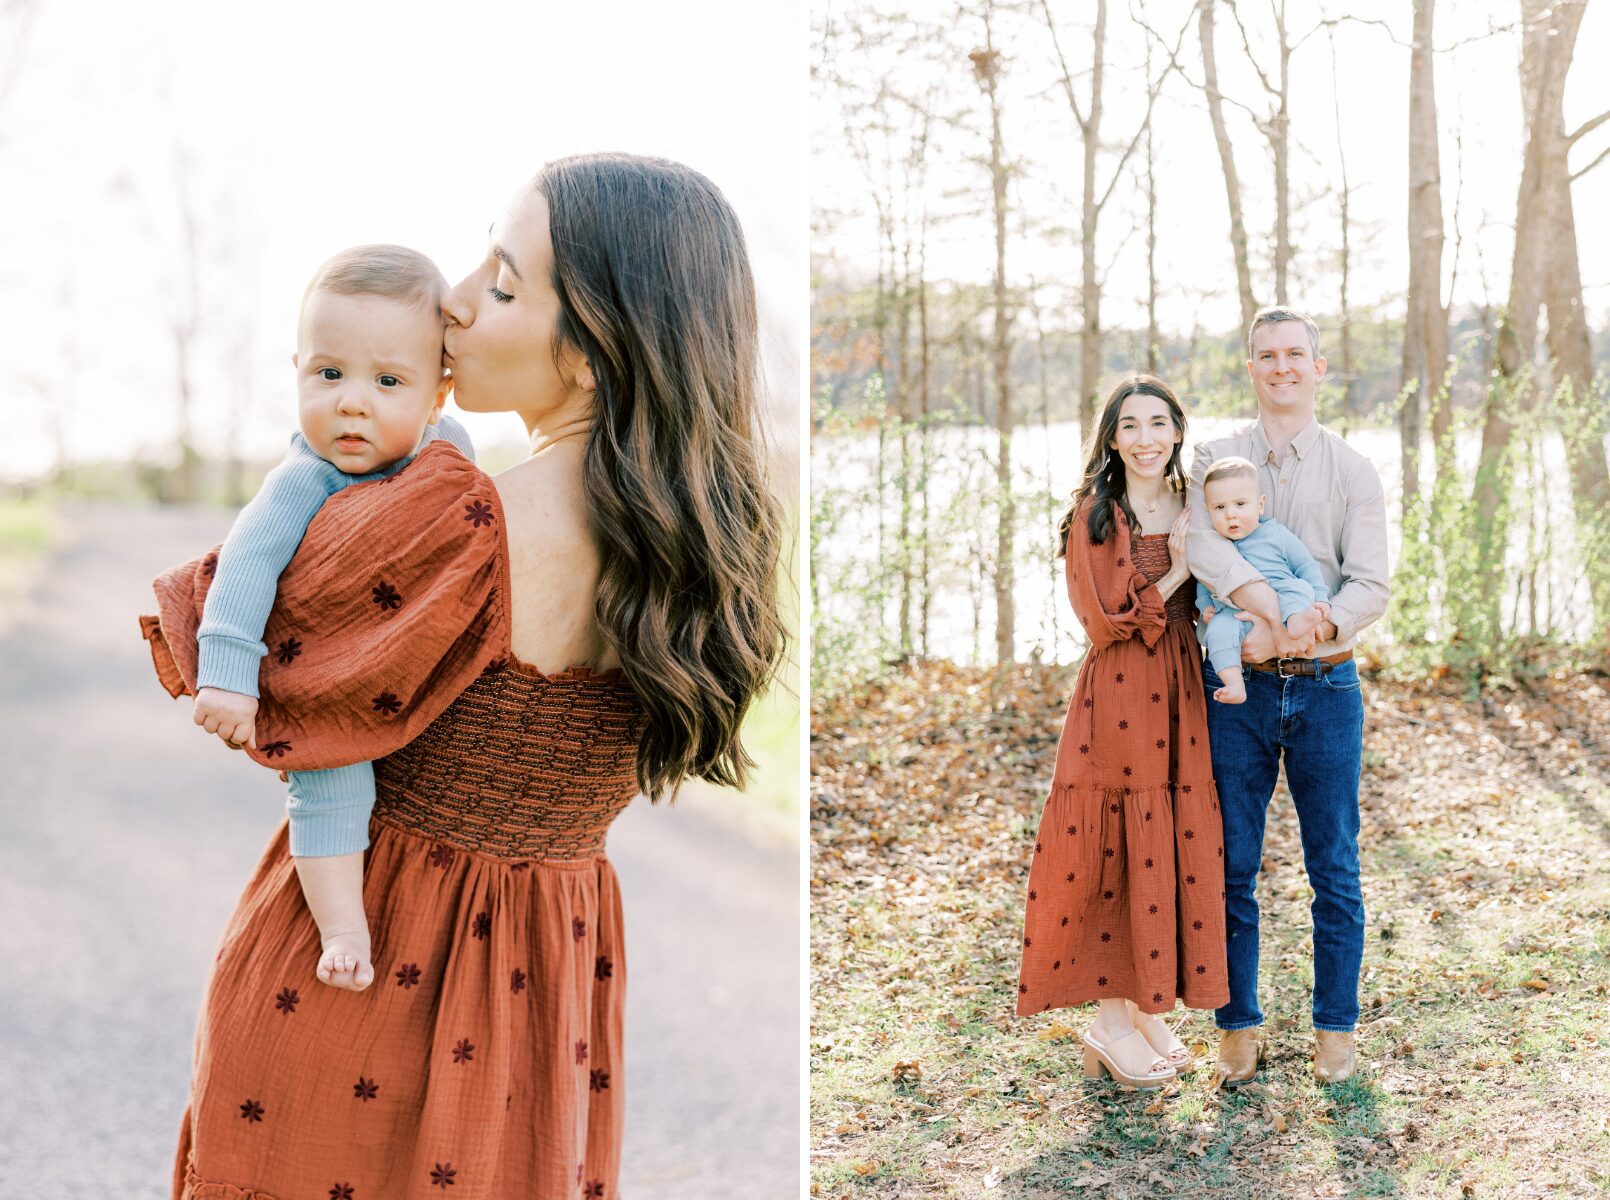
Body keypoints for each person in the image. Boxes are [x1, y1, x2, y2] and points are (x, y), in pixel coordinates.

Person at [140, 153, 785, 1200]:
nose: (454, 297)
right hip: (547, 996)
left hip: (351, 980)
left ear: (592, 354)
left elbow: (256, 643)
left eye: (503, 283)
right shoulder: (704, 556)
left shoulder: (448, 520)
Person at [190, 245, 473, 994]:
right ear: (297, 372)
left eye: (388, 381)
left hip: (403, 657)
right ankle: (343, 929)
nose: (352, 402)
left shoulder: (449, 454)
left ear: (437, 394)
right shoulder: (304, 479)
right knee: (330, 781)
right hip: (322, 670)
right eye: (328, 374)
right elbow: (245, 567)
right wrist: (228, 678)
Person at [1185, 305, 1390, 1087]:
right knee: (1231, 865)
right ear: (1251, 368)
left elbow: (1370, 584)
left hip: (1326, 687)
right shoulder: (1215, 459)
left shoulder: (1353, 470)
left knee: (1333, 867)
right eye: (1266, 355)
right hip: (1236, 696)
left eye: (1294, 354)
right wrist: (1264, 619)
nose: (1281, 367)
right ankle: (1237, 1026)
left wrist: (1307, 628)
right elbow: (1198, 546)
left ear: (1317, 367)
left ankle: (1335, 1028)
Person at [1016, 374, 1228, 1090]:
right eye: (1129, 426)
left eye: (1158, 424)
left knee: (1165, 840)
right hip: (1120, 691)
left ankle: (1144, 1010)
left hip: (1182, 686)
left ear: (1178, 431)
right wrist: (1179, 571)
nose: (1145, 439)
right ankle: (1109, 1022)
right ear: (1111, 438)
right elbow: (1105, 621)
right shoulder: (1097, 513)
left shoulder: (1193, 502)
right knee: (1115, 842)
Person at [1194, 455, 1330, 704]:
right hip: (1234, 613)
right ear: (1208, 510)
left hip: (1282, 596)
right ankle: (1234, 683)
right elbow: (1204, 582)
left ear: (1260, 505)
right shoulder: (1215, 544)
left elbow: (1306, 566)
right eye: (1219, 508)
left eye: (1240, 504)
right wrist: (1205, 607)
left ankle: (1297, 621)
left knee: (1298, 588)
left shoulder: (1275, 534)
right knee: (1217, 632)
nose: (1230, 515)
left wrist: (1321, 599)